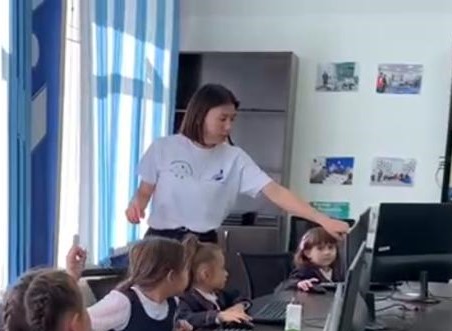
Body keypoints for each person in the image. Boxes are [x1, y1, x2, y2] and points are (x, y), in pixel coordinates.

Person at [125, 83, 349, 243]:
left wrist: (322, 220)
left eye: (232, 119)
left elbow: (275, 192)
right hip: (161, 241)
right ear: (200, 116)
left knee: (204, 298)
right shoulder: (164, 147)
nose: (229, 126)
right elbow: (145, 191)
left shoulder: (234, 157)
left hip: (203, 244)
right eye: (222, 119)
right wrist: (137, 206)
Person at [176, 236, 252, 329]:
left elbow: (239, 296)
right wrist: (218, 316)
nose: (226, 273)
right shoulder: (186, 300)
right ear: (206, 274)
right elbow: (185, 318)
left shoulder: (217, 294)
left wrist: (239, 306)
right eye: (222, 268)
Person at [280, 227, 342, 292]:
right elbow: (288, 283)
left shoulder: (337, 271)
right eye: (320, 248)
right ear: (307, 253)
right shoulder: (304, 271)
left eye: (331, 247)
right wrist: (299, 283)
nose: (327, 252)